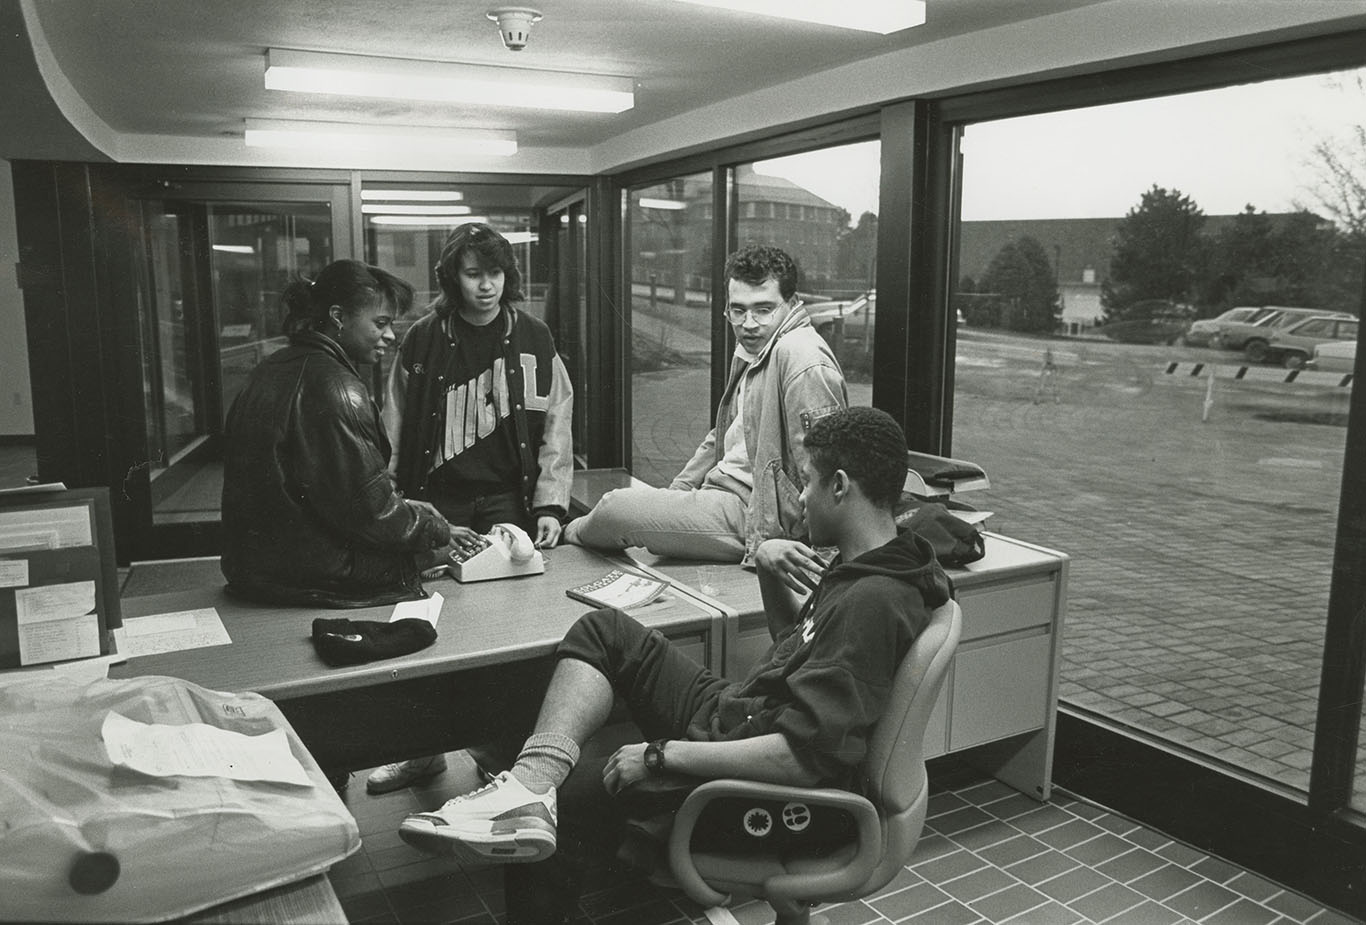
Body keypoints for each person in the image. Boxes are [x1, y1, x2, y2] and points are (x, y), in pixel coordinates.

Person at [398, 407, 953, 925]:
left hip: (771, 791)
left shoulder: (871, 602)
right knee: (607, 631)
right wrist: (764, 567)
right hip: (743, 716)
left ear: (839, 486)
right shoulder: (877, 563)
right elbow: (801, 654)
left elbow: (800, 758)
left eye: (807, 481)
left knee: (567, 811)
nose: (800, 497)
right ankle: (529, 784)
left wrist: (662, 757)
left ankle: (538, 802)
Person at [367, 222, 574, 795]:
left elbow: (557, 421)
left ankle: (500, 752)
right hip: (437, 503)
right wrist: (395, 503)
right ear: (452, 278)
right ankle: (422, 754)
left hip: (506, 499)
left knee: (508, 632)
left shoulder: (534, 336)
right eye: (473, 273)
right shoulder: (423, 339)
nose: (486, 285)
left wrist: (550, 503)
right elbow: (394, 422)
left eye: (496, 273)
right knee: (425, 628)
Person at [563, 243, 847, 564]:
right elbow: (722, 435)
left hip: (755, 514)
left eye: (764, 309)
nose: (749, 323)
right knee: (628, 511)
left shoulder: (802, 357)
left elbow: (826, 467)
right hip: (722, 494)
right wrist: (675, 493)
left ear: (792, 303)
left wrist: (825, 562)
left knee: (616, 508)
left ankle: (566, 534)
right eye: (738, 310)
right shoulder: (757, 348)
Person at [221, 259, 462, 608]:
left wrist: (406, 508)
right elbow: (370, 513)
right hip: (312, 577)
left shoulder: (272, 367)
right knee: (442, 556)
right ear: (338, 316)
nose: (391, 336)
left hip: (256, 568)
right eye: (380, 323)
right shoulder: (337, 388)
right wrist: (437, 530)